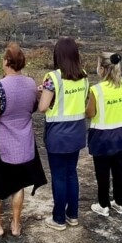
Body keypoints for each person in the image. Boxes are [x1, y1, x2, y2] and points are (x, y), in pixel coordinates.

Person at [0, 44, 48, 238]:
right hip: (24, 141)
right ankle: (16, 225)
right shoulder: (31, 83)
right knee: (18, 184)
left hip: (0, 143)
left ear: (6, 62)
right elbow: (34, 107)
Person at [38, 37, 89, 230]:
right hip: (76, 133)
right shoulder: (83, 75)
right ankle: (72, 215)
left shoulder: (53, 78)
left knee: (59, 177)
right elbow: (79, 99)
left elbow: (43, 107)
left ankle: (58, 218)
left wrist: (42, 94)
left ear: (57, 55)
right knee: (71, 174)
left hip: (58, 136)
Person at [86, 53, 122, 217]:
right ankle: (120, 203)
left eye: (98, 65)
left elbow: (90, 112)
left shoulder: (96, 89)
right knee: (120, 169)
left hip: (101, 137)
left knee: (102, 171)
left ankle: (103, 204)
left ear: (103, 69)